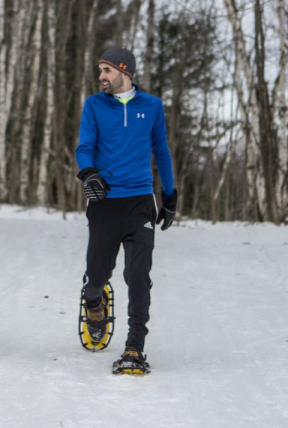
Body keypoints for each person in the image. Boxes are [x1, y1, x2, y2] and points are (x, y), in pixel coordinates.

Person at [76, 46, 177, 374]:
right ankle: (94, 302)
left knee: (137, 275)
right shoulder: (94, 105)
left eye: (106, 70)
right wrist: (89, 173)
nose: (101, 77)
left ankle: (135, 346)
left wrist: (170, 195)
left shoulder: (152, 106)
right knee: (97, 277)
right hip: (104, 203)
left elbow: (161, 151)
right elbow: (85, 146)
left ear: (125, 72)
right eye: (100, 71)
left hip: (139, 202)